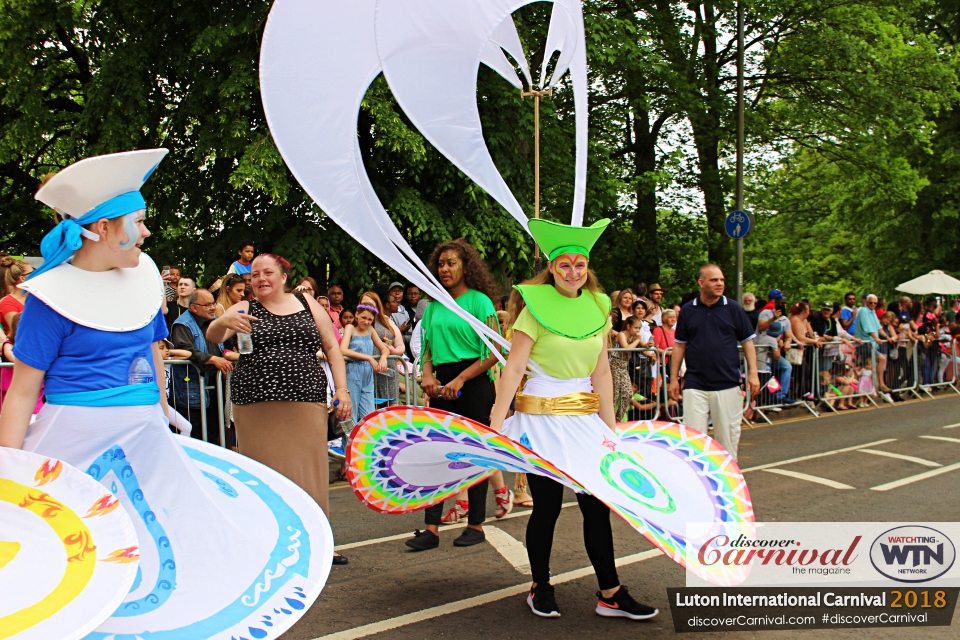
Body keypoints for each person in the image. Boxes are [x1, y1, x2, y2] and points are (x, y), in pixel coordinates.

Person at [0, 149, 332, 636]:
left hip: (146, 438)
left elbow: (152, 347)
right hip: (75, 441)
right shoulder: (50, 300)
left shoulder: (142, 279)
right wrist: (11, 474)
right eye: (139, 221)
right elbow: (23, 391)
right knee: (84, 559)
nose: (148, 232)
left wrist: (160, 404)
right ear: (104, 229)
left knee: (173, 543)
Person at [489, 218, 659, 621]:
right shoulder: (534, 307)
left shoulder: (599, 306)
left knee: (596, 505)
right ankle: (540, 586)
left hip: (585, 420)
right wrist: (495, 424)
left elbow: (600, 370)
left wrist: (610, 427)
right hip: (542, 420)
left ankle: (611, 592)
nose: (573, 272)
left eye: (580, 264)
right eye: (564, 264)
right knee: (545, 506)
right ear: (551, 268)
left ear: (588, 267)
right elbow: (513, 369)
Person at [206, 252, 352, 564]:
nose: (259, 279)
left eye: (267, 272)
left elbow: (331, 347)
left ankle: (319, 542)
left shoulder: (306, 303)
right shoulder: (244, 307)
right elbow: (213, 336)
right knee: (262, 471)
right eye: (254, 274)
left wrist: (341, 389)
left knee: (309, 470)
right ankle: (266, 543)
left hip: (305, 398)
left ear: (283, 276)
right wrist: (222, 321)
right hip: (255, 403)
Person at [406, 239, 505, 551]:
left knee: (474, 453)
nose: (444, 269)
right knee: (436, 453)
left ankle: (475, 525)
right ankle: (431, 529)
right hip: (442, 382)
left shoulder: (480, 302)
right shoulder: (434, 306)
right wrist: (428, 376)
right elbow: (428, 351)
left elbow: (494, 351)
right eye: (441, 263)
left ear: (466, 267)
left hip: (474, 382)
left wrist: (461, 379)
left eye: (451, 263)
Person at [668, 265, 760, 459]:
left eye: (722, 280)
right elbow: (679, 346)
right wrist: (674, 379)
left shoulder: (733, 308)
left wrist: (753, 373)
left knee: (726, 440)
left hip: (727, 383)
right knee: (694, 440)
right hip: (695, 383)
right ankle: (696, 484)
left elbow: (748, 342)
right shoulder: (687, 310)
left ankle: (728, 486)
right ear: (701, 283)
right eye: (714, 280)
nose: (720, 284)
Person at [170, 288, 233, 443]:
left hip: (215, 385)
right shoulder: (182, 325)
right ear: (194, 307)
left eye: (214, 303)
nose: (213, 307)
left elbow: (228, 345)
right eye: (208, 305)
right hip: (191, 387)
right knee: (194, 430)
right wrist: (213, 359)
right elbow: (186, 350)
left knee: (213, 429)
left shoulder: (215, 322)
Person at [340, 303, 390, 425]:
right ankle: (349, 443)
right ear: (357, 314)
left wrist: (383, 357)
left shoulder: (370, 330)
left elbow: (385, 349)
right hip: (352, 373)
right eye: (363, 318)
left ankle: (368, 442)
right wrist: (368, 358)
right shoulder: (350, 328)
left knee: (369, 415)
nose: (366, 322)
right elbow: (343, 349)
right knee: (350, 414)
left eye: (369, 319)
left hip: (367, 376)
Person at [855, 294, 890, 393]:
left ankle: (874, 388)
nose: (873, 304)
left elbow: (878, 327)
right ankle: (880, 384)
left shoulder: (872, 312)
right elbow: (868, 328)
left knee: (871, 368)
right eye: (871, 302)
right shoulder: (864, 311)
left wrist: (887, 337)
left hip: (871, 344)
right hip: (864, 344)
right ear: (866, 302)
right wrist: (876, 338)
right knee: (880, 359)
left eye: (875, 303)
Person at [0, 258, 31, 334]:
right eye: (32, 272)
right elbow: (18, 330)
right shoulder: (7, 303)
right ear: (22, 278)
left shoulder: (33, 298)